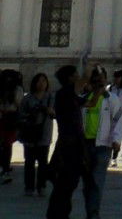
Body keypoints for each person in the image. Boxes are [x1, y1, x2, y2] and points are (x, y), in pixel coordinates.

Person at [85, 66, 122, 219]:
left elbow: (118, 120)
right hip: (85, 143)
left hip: (103, 145)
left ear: (105, 79)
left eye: (101, 78)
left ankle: (93, 213)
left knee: (97, 180)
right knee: (87, 182)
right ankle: (90, 209)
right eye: (95, 78)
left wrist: (116, 139)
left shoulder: (112, 100)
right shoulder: (85, 97)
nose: (98, 81)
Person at [45, 64, 85, 219]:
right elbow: (82, 84)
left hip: (72, 143)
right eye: (75, 73)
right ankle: (57, 214)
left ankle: (60, 213)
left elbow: (88, 102)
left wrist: (98, 91)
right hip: (68, 145)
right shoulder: (65, 93)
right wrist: (90, 69)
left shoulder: (69, 95)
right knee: (65, 183)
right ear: (70, 77)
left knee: (68, 184)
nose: (78, 76)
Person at [18, 72, 54, 197]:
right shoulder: (27, 98)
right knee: (29, 162)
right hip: (30, 134)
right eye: (39, 81)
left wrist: (50, 111)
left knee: (43, 162)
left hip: (44, 134)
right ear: (34, 83)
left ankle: (41, 185)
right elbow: (21, 114)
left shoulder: (50, 97)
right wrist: (31, 115)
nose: (41, 83)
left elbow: (55, 114)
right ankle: (29, 186)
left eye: (44, 81)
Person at [0, 68, 21, 185]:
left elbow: (19, 104)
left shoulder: (17, 89)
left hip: (11, 117)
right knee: (3, 144)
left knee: (7, 144)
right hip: (2, 117)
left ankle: (6, 168)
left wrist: (11, 97)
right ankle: (4, 167)